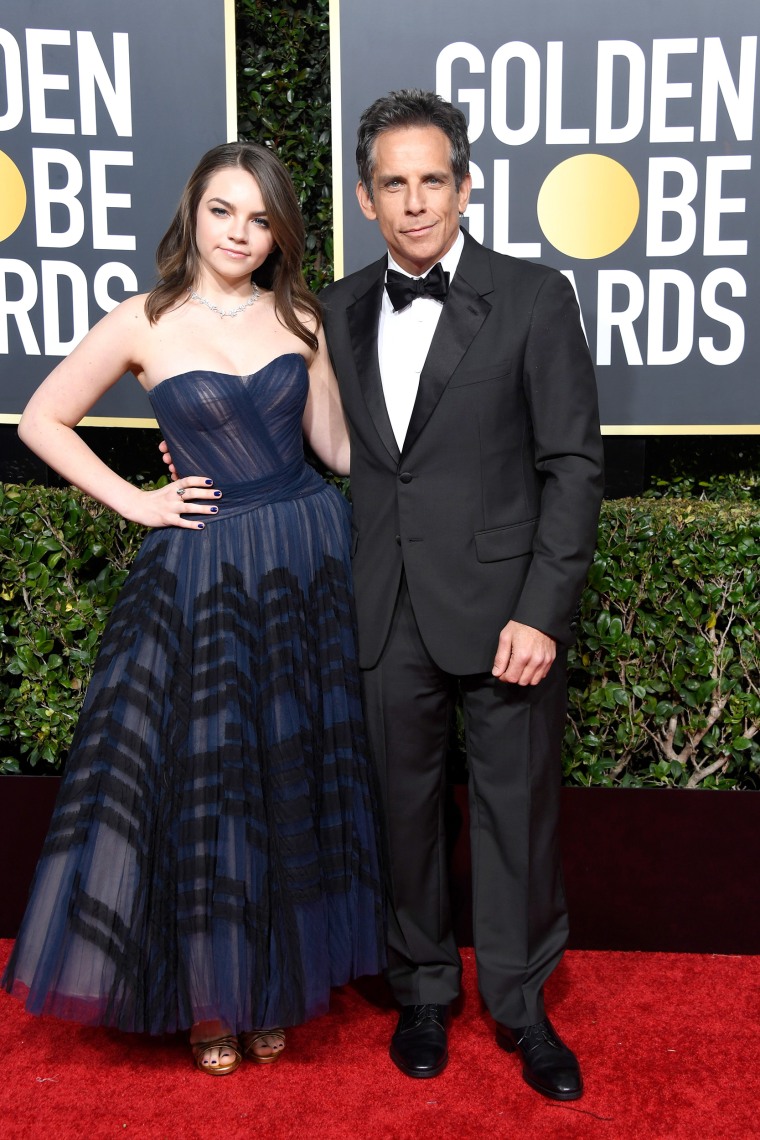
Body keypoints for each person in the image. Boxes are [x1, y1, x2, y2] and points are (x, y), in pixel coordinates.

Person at [2, 141, 385, 1076]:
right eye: (225, 211)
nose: (241, 233)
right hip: (206, 568)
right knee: (213, 777)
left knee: (289, 769)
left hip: (302, 551)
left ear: (280, 231)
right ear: (194, 212)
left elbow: (332, 449)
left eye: (260, 219)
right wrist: (138, 501)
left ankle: (278, 982)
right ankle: (216, 1000)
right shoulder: (143, 319)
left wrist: (336, 360)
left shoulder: (300, 312)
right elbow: (42, 418)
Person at [319, 90, 605, 1100]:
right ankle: (424, 991)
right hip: (385, 604)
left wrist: (541, 612)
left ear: (466, 186)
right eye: (391, 184)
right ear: (365, 197)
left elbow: (571, 465)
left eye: (431, 179)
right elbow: (338, 446)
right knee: (401, 815)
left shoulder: (532, 298)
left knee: (514, 815)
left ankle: (523, 1012)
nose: (413, 203)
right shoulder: (341, 306)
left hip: (502, 615)